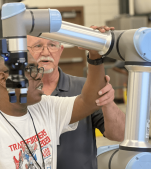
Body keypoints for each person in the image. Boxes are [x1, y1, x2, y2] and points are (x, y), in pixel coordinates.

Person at [0, 26, 117, 169]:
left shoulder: (45, 108)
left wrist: (95, 56)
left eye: (38, 70)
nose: (38, 77)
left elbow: (89, 102)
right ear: (3, 79)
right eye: (30, 70)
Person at [27, 25, 125, 169]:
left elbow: (120, 134)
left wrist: (107, 102)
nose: (46, 52)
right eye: (38, 46)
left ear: (61, 50)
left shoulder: (84, 89)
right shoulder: (19, 94)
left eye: (52, 45)